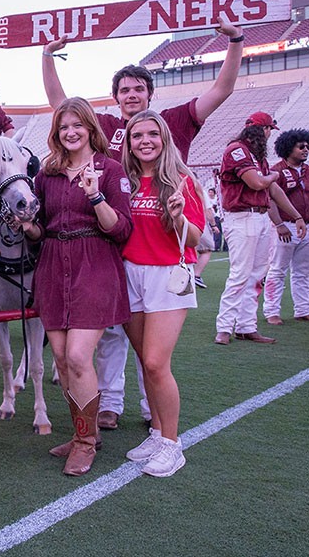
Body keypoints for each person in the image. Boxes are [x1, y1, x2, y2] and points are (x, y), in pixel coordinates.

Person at [41, 14, 244, 430]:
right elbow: (63, 107)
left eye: (138, 89)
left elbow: (221, 90)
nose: (131, 95)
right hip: (118, 248)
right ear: (115, 97)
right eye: (124, 90)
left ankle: (155, 414)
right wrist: (46, 58)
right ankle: (110, 404)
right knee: (112, 336)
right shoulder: (110, 128)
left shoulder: (172, 122)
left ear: (150, 93)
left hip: (164, 251)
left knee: (154, 354)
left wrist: (237, 41)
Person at [15, 97, 133, 476]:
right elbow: (39, 231)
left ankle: (84, 443)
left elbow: (121, 229)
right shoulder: (45, 175)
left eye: (77, 125)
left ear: (90, 128)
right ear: (56, 132)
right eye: (64, 126)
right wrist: (27, 227)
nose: (70, 132)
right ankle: (87, 432)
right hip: (53, 265)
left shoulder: (111, 170)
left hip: (94, 263)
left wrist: (95, 194)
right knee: (63, 359)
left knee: (80, 356)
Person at [120, 111, 204, 477]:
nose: (145, 141)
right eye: (137, 135)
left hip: (167, 275)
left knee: (156, 362)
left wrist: (180, 218)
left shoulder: (181, 181)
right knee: (144, 359)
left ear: (164, 138)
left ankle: (172, 445)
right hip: (130, 272)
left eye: (152, 134)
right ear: (129, 142)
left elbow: (197, 239)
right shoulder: (126, 180)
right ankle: (156, 433)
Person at [215, 113, 306, 345]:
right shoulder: (237, 150)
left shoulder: (257, 156)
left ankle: (246, 326)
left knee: (256, 275)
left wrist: (296, 216)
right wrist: (274, 175)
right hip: (242, 216)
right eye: (268, 130)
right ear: (261, 129)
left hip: (259, 216)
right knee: (240, 274)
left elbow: (274, 191)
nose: (268, 135)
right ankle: (224, 327)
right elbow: (257, 183)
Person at [263, 128, 309, 325]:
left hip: (305, 226)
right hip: (285, 227)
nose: (305, 149)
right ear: (288, 148)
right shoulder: (277, 171)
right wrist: (279, 224)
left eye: (307, 146)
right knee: (277, 270)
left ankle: (303, 309)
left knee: (303, 271)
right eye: (301, 146)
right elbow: (270, 200)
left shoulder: (308, 171)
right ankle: (271, 311)